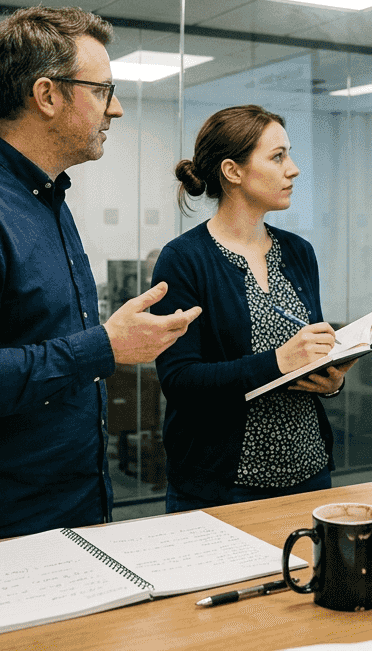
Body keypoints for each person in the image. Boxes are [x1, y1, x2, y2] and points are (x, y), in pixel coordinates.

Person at [0, 5, 202, 552]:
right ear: (47, 95)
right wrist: (104, 347)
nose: (118, 108)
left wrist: (102, 346)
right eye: (104, 90)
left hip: (70, 510)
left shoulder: (47, 198)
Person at [151, 105, 355, 513]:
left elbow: (309, 350)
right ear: (233, 171)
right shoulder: (184, 259)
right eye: (278, 157)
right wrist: (278, 361)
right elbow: (180, 380)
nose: (293, 169)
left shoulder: (299, 253)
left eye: (289, 155)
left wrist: (331, 380)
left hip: (310, 474)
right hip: (222, 487)